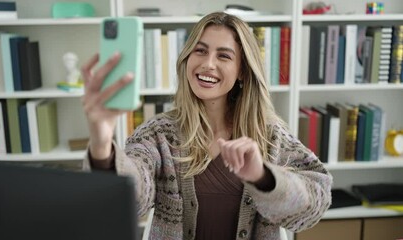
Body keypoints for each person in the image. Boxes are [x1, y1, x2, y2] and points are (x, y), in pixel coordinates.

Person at [81, 11, 332, 240]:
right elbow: (131, 198)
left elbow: (315, 204)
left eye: (223, 55)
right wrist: (102, 144)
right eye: (200, 51)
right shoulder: (159, 134)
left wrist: (264, 176)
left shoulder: (270, 137)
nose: (208, 64)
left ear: (242, 71)